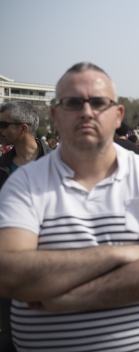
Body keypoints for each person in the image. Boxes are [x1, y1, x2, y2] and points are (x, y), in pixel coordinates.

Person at [0, 62, 139, 352]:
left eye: (99, 103)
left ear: (117, 115)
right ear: (55, 116)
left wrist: (68, 300)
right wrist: (120, 252)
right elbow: (9, 272)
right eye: (73, 103)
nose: (86, 111)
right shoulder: (22, 183)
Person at [0, 101, 53, 352]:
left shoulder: (61, 163)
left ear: (23, 128)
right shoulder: (1, 167)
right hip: (9, 270)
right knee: (10, 339)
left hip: (52, 268)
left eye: (3, 124)